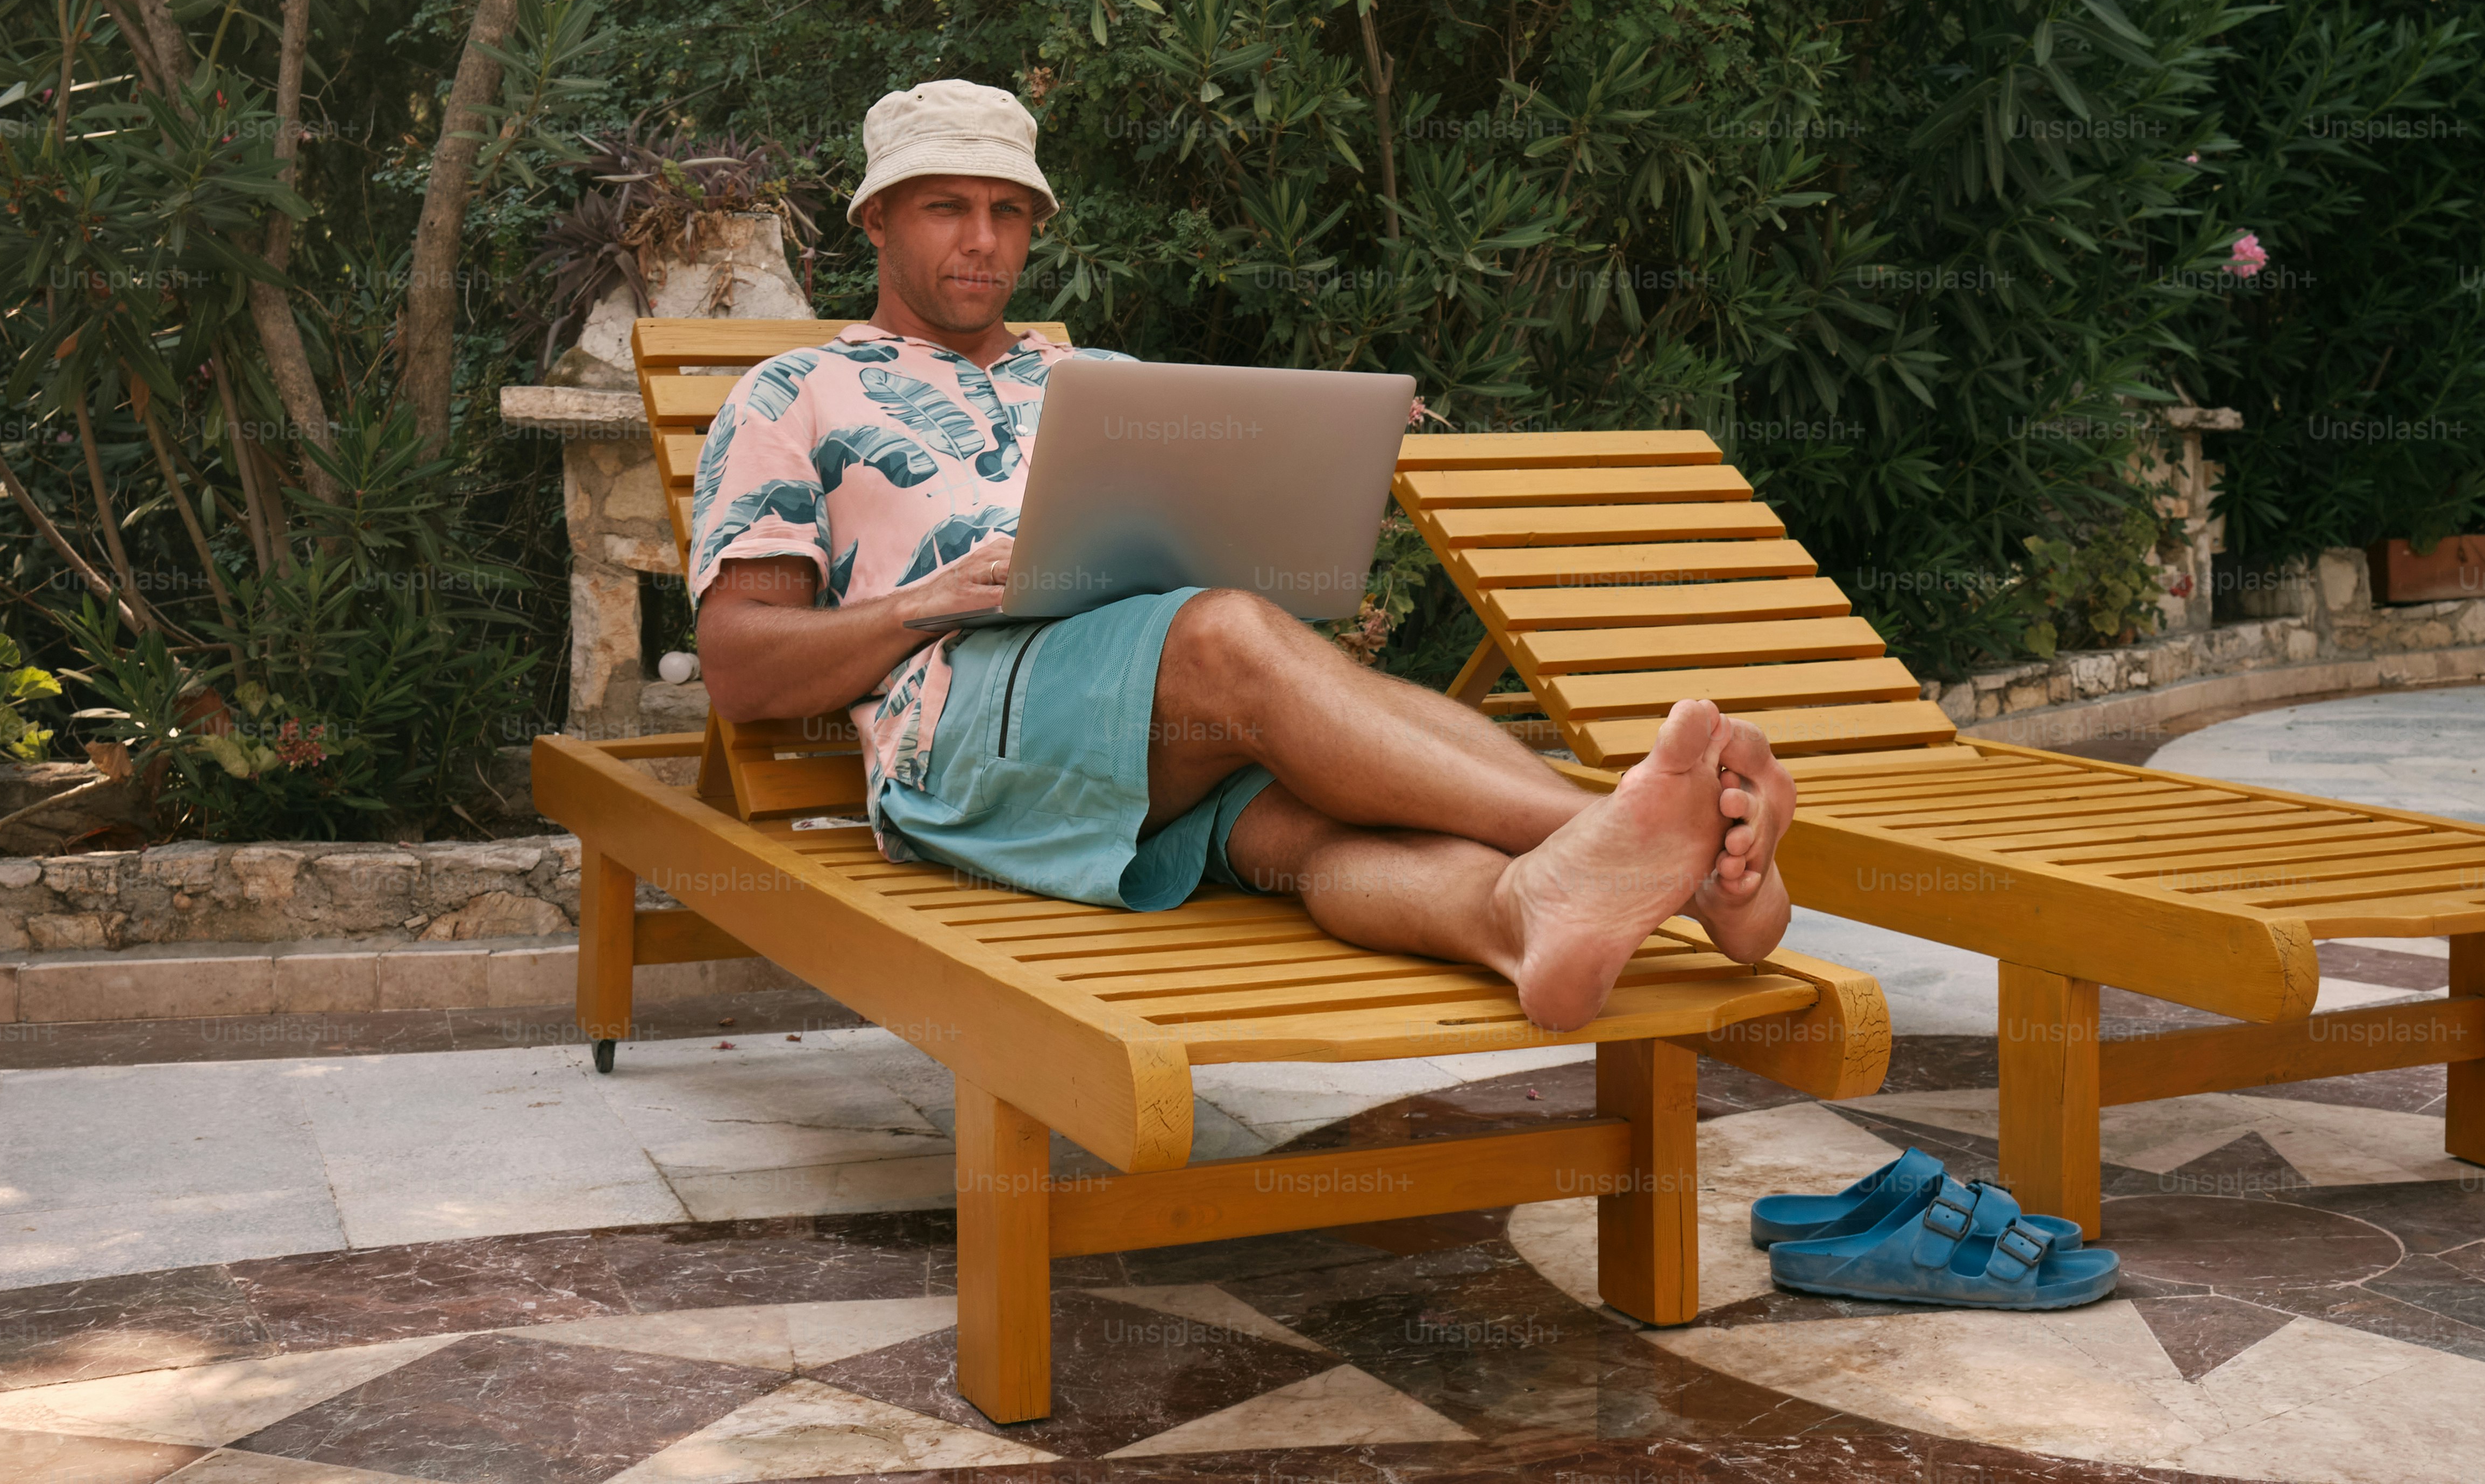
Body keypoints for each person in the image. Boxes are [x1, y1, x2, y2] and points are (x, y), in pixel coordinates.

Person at [689, 79, 1798, 1031]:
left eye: (1008, 212)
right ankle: (1651, 844)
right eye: (947, 208)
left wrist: (1308, 472)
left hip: (1154, 728)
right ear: (878, 220)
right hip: (968, 734)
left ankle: (1526, 919)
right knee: (1222, 633)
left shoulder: (1108, 383)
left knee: (1311, 828)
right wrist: (923, 601)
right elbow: (740, 666)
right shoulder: (794, 394)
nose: (983, 239)